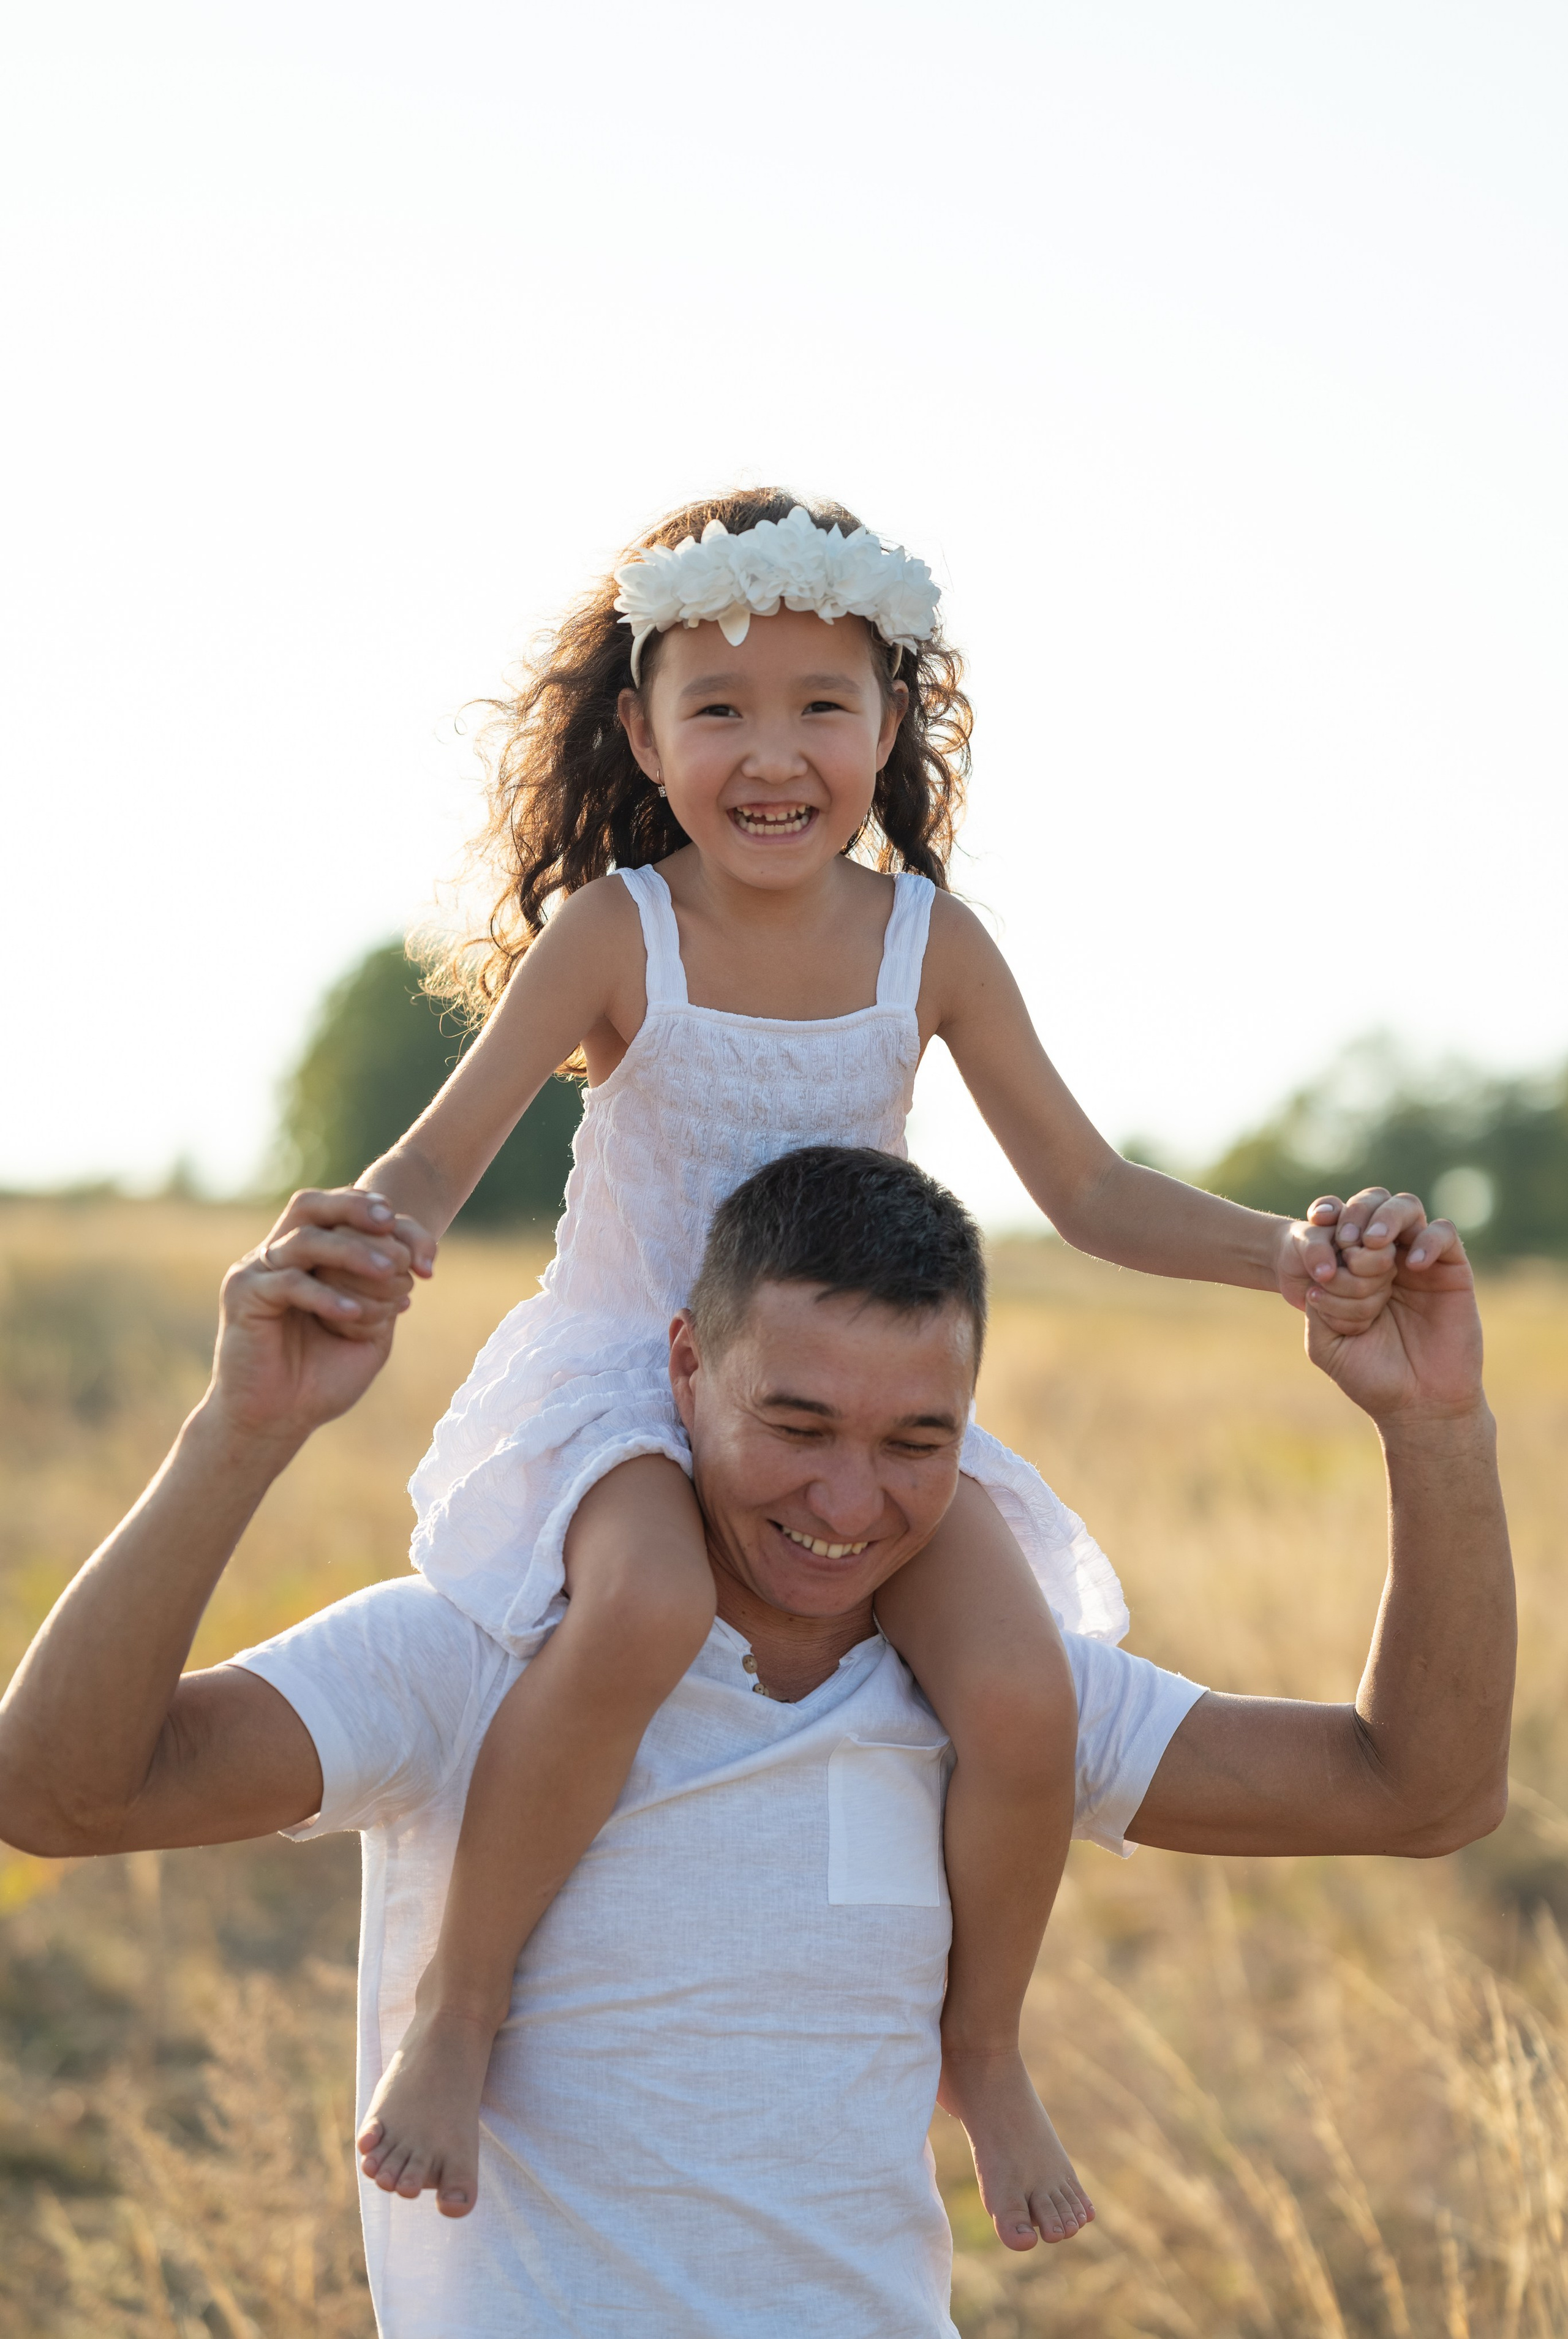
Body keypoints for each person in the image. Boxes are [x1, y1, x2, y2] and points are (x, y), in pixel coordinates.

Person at [306, 488, 1450, 2234]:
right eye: (719, 708)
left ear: (892, 723)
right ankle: (459, 2010)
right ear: (644, 734)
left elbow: (1086, 1187)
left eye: (821, 706)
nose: (773, 755)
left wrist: (1287, 1259)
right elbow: (437, 1156)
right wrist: (360, 1233)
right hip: (639, 1380)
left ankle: (979, 2049)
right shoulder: (619, 931)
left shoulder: (929, 943)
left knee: (1024, 1693)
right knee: (639, 1605)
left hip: (849, 1400)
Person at [0, 1153, 1510, 2339]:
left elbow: (1420, 1792)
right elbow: (57, 1793)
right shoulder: (482, 1650)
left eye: (915, 1442)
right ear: (682, 1369)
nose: (848, 1505)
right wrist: (242, 1429)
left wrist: (1434, 1423)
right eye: (794, 1426)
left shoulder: (1001, 1701)